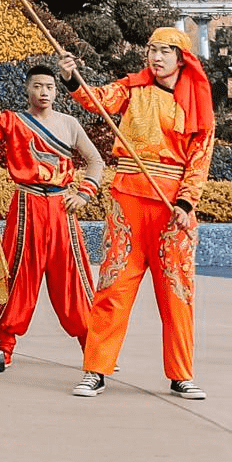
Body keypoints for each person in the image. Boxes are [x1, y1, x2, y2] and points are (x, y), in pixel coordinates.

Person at [61, 30, 213, 399]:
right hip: (127, 199)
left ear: (182, 58)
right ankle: (95, 369)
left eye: (164, 52)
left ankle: (181, 374)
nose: (156, 58)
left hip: (171, 207)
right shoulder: (132, 88)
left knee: (176, 291)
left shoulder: (197, 103)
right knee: (114, 284)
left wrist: (186, 203)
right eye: (152, 51)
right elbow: (96, 100)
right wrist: (70, 78)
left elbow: (199, 160)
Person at [0, 60, 104, 372]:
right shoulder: (12, 121)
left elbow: (96, 161)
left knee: (73, 280)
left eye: (50, 87)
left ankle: (93, 348)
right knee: (17, 275)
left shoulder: (68, 123)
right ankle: (4, 345)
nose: (44, 92)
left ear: (57, 92)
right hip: (26, 205)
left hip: (60, 208)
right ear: (27, 88)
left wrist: (84, 194)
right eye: (38, 86)